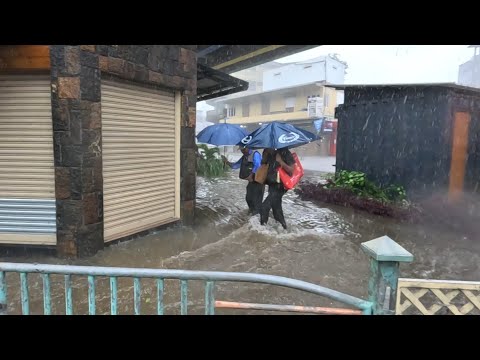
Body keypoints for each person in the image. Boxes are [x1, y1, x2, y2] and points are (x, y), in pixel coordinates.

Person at [260, 148, 295, 229]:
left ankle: (262, 232)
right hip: (271, 186)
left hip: (280, 187)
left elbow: (291, 170)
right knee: (277, 211)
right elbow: (263, 165)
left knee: (264, 207)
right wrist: (264, 156)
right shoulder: (268, 152)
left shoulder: (285, 152)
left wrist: (280, 161)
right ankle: (284, 230)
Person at [223, 146, 264, 215]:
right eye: (241, 150)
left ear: (248, 147)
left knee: (256, 201)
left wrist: (251, 175)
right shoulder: (244, 157)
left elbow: (258, 165)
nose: (243, 151)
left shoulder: (255, 154)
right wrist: (227, 162)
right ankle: (251, 216)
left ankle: (257, 218)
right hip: (251, 182)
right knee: (248, 198)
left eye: (244, 149)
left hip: (258, 182)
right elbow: (235, 166)